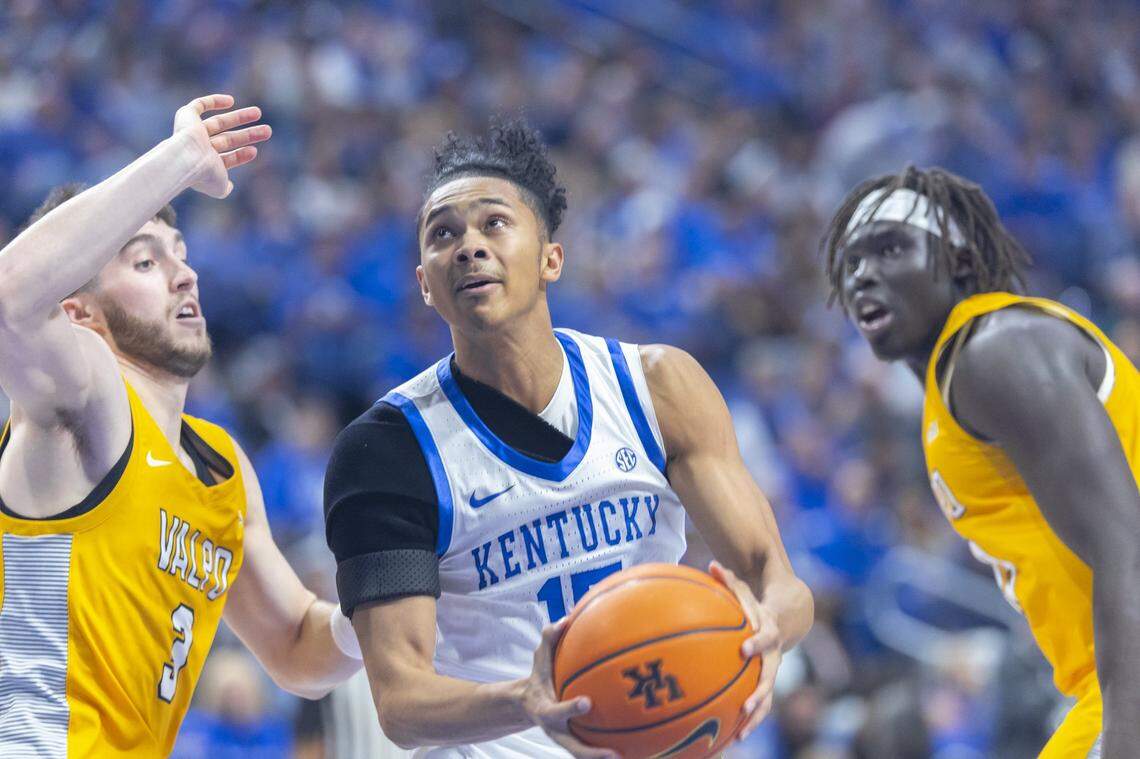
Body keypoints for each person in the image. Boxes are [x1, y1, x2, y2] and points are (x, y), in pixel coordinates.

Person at [324, 119, 813, 757]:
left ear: (552, 257)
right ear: (424, 283)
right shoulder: (387, 450)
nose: (468, 246)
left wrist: (766, 631)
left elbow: (777, 580)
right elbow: (400, 700)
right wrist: (525, 700)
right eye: (443, 234)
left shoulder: (657, 388)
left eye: (493, 223)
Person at [0, 94, 362, 756]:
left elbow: (295, 650)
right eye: (145, 262)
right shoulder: (86, 402)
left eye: (181, 253)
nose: (184, 274)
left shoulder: (221, 466)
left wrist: (384, 610)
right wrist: (182, 156)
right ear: (76, 312)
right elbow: (10, 298)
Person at [821, 166, 1140, 759]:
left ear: (961, 262)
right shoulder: (959, 378)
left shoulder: (996, 349)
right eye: (851, 262)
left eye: (890, 249)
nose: (863, 274)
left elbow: (1129, 547)